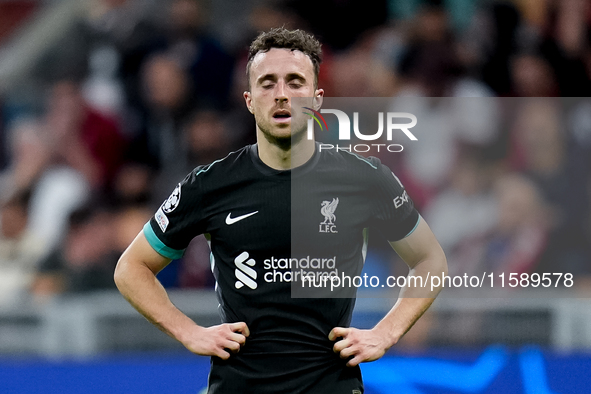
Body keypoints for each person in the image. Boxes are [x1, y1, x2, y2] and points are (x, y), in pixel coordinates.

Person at [114, 28, 447, 393]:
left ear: (318, 98)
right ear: (249, 100)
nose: (282, 94)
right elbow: (131, 267)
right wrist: (188, 332)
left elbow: (431, 260)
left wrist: (386, 333)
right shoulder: (209, 184)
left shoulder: (365, 179)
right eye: (267, 83)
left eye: (295, 82)